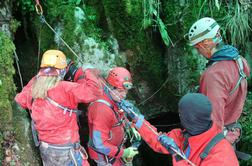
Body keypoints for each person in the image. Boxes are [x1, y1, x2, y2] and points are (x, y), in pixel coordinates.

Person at [15, 49, 103, 166]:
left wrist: (37, 78)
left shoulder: (33, 88)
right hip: (66, 151)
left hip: (46, 150)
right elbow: (94, 92)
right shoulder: (65, 89)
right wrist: (88, 71)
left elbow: (19, 100)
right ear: (61, 72)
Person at [119, 93, 239, 165]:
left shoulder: (222, 155)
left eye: (181, 114)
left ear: (190, 119)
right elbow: (157, 140)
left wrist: (177, 156)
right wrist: (136, 118)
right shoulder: (185, 135)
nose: (179, 116)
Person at [187, 17, 250, 145]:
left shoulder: (214, 75)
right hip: (232, 130)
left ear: (205, 43)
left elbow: (214, 119)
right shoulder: (239, 60)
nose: (199, 53)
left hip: (218, 141)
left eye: (198, 48)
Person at [87, 67, 140, 166]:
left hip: (117, 149)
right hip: (106, 157)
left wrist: (130, 127)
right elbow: (99, 144)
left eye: (126, 91)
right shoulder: (101, 110)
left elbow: (117, 117)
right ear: (110, 87)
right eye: (120, 91)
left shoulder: (113, 99)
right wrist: (124, 153)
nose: (124, 95)